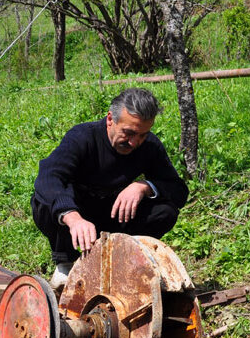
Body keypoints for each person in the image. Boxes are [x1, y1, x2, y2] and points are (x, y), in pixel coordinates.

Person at [31, 88, 188, 289]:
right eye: (129, 133)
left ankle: (123, 262)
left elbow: (178, 190)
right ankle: (66, 264)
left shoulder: (149, 146)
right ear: (110, 119)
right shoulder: (82, 137)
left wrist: (144, 186)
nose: (134, 142)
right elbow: (49, 176)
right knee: (44, 200)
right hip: (77, 218)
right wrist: (72, 217)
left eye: (142, 135)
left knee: (165, 210)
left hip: (113, 216)